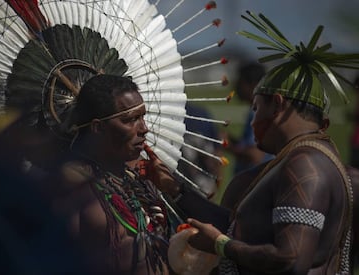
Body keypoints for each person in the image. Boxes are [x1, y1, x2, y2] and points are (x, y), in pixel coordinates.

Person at [180, 13, 357, 274]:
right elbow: (237, 228)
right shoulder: (303, 161)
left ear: (277, 104)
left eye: (255, 107)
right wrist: (175, 190)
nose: (252, 122)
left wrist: (221, 246)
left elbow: (291, 260)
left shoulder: (305, 164)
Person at [51, 74, 181, 274]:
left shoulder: (139, 174)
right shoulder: (70, 186)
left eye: (142, 117)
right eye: (130, 120)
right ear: (98, 127)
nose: (144, 129)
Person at [224, 62, 273, 175]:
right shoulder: (262, 110)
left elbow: (255, 155)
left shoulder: (258, 113)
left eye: (240, 83)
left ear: (253, 85)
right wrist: (233, 140)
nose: (236, 88)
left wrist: (227, 145)